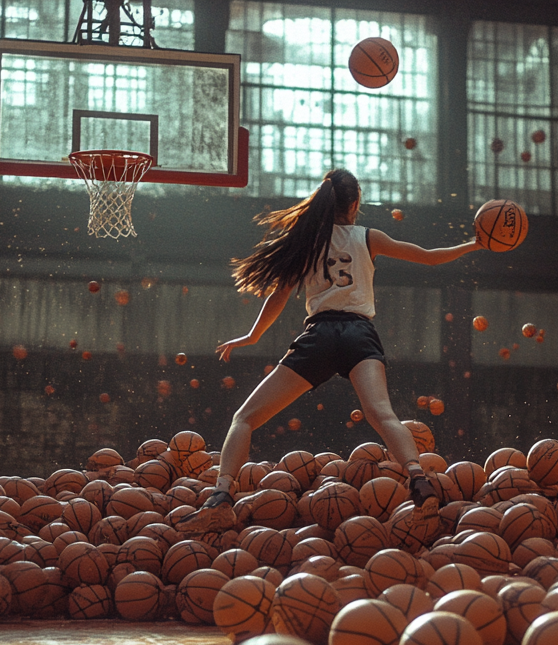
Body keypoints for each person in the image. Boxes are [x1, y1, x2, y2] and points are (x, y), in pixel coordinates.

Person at [177, 168, 484, 534]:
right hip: (359, 333)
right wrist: (475, 243)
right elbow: (430, 257)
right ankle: (419, 480)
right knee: (383, 415)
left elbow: (278, 297)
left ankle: (221, 498)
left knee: (244, 419)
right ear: (355, 203)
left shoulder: (308, 241)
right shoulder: (369, 237)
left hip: (319, 336)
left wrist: (252, 336)